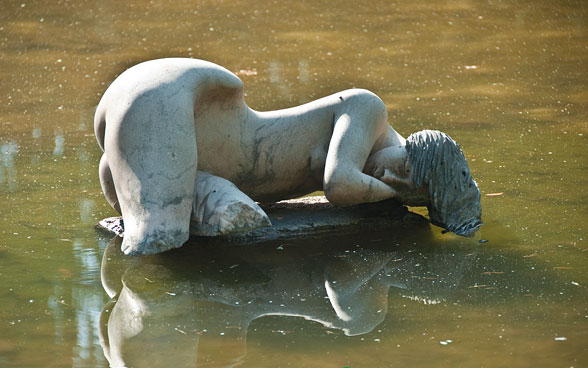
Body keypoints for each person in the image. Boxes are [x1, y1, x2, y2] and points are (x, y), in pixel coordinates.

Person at [95, 58, 481, 255]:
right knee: (160, 238)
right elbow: (340, 183)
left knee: (212, 216)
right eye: (404, 168)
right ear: (412, 143)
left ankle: (204, 188)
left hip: (184, 137)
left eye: (406, 188)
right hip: (167, 96)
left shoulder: (372, 153)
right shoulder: (368, 109)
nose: (389, 178)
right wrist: (393, 196)